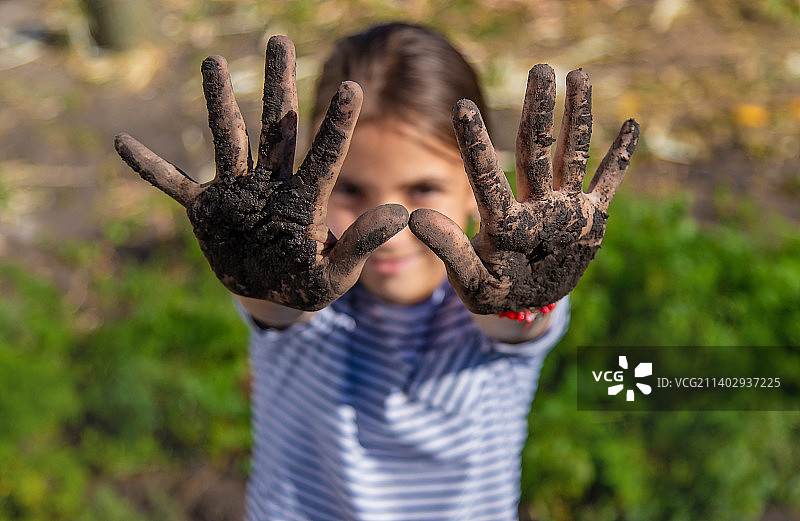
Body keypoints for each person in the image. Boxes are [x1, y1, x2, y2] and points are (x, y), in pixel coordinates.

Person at [114, 22, 638, 521]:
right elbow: (274, 311)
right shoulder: (303, 289)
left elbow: (518, 325)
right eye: (351, 190)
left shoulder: (496, 298)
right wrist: (263, 274)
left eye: (424, 189)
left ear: (478, 187)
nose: (389, 225)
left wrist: (524, 296)